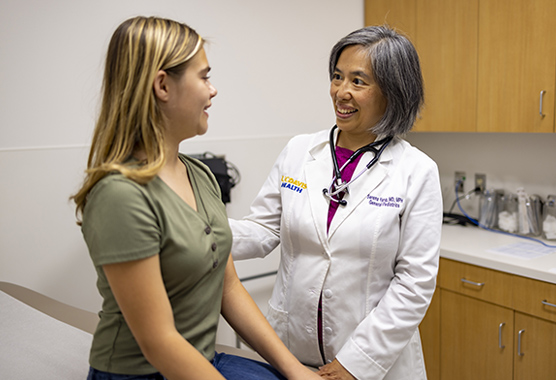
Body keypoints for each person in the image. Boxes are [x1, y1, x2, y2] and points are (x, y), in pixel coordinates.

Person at [71, 16, 321, 380]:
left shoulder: (200, 175)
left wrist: (295, 370)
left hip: (204, 361)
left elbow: (228, 287)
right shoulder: (120, 196)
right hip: (142, 372)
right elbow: (158, 342)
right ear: (162, 86)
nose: (213, 90)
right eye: (204, 77)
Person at [230, 25, 443, 380]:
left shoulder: (416, 171)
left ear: (393, 92)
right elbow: (263, 229)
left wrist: (356, 363)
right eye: (337, 77)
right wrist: (197, 231)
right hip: (292, 354)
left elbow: (414, 282)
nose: (341, 92)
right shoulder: (300, 151)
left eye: (358, 82)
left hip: (372, 362)